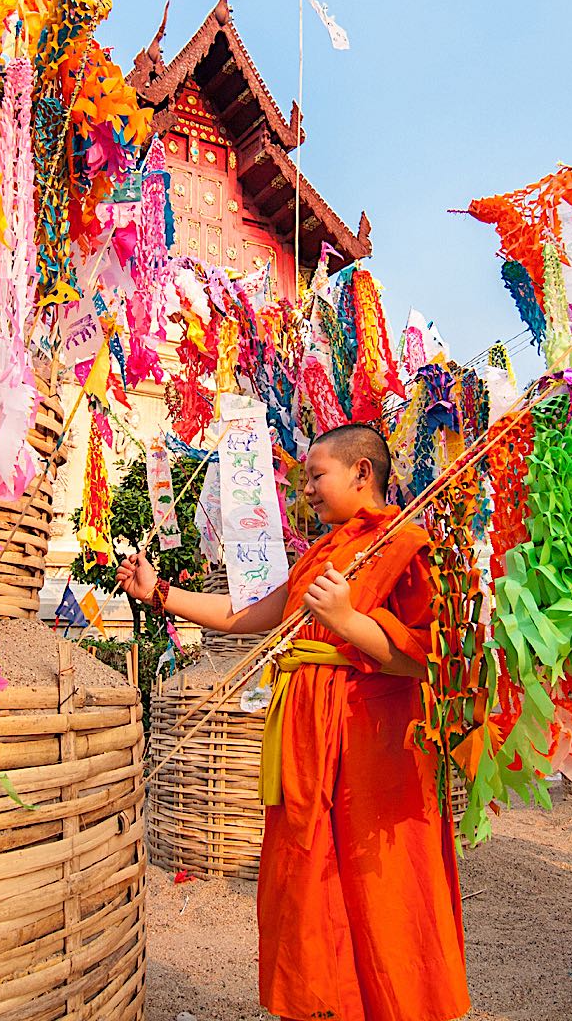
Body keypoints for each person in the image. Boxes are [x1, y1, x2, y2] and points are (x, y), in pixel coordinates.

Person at [118, 423, 470, 1021]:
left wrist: (346, 620)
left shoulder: (405, 543)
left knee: (378, 882)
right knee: (310, 881)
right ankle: (328, 1006)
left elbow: (427, 657)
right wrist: (161, 596)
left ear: (362, 473)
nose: (305, 488)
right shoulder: (325, 552)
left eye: (316, 475)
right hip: (309, 739)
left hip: (373, 747)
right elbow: (255, 613)